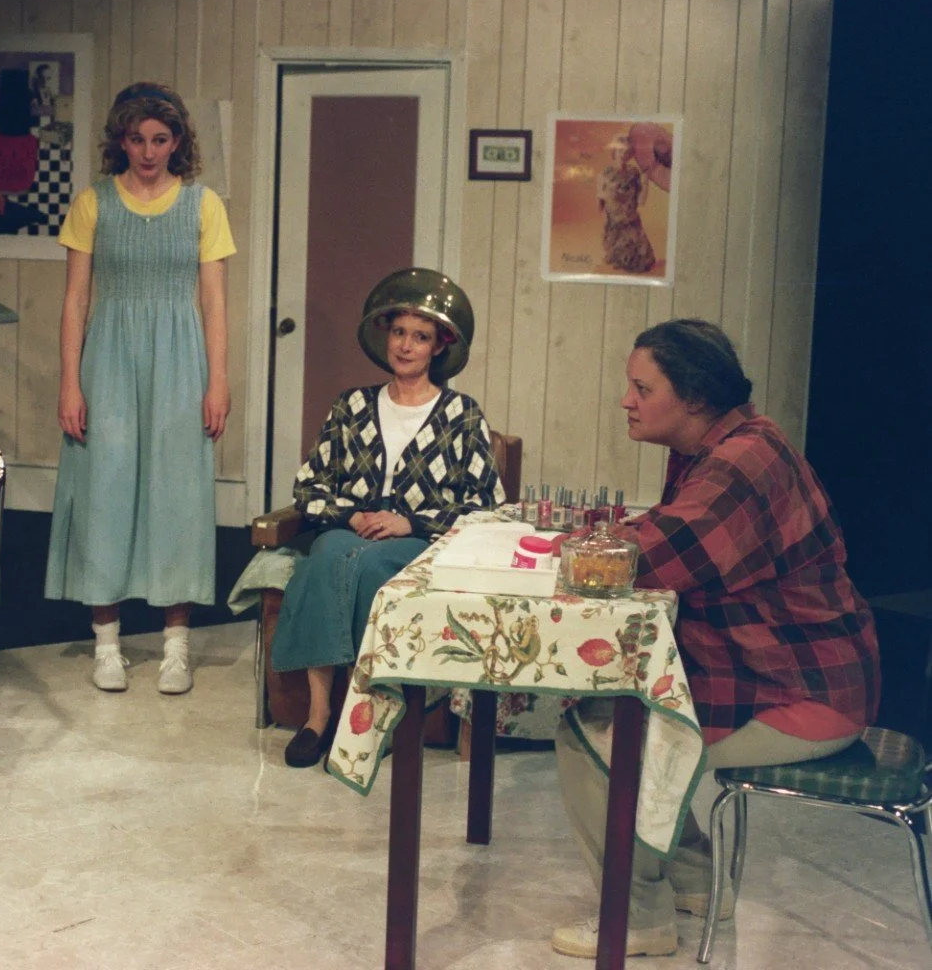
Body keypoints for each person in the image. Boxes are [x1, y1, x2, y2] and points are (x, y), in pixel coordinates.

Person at [549, 319, 879, 959]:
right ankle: (698, 885)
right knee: (625, 717)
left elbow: (650, 555)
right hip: (785, 672)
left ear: (695, 398)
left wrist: (570, 548)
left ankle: (637, 917)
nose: (627, 400)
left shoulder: (741, 461)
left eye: (642, 388)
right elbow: (668, 534)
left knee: (593, 730)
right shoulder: (721, 448)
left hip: (801, 693)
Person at [270, 269, 505, 767]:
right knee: (328, 555)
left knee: (371, 568)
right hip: (346, 533)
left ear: (439, 346)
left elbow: (485, 505)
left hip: (416, 543)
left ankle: (370, 715)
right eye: (399, 332)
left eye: (420, 337)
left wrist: (411, 524)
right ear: (385, 335)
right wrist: (353, 516)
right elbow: (308, 488)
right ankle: (318, 717)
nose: (405, 346)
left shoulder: (462, 414)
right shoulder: (351, 406)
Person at [45, 80, 235, 695]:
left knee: (177, 492)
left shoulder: (203, 204)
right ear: (120, 141)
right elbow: (75, 300)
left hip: (181, 358)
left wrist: (219, 381)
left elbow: (214, 300)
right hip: (109, 357)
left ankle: (175, 645)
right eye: (137, 139)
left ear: (177, 142)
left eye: (160, 139)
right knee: (105, 488)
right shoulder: (93, 202)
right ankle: (107, 642)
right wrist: (70, 382)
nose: (148, 151)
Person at [596, 133, 657, 274]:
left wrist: (645, 183)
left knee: (643, 263)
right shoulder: (605, 174)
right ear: (614, 151)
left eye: (626, 151)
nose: (623, 154)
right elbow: (600, 205)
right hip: (614, 226)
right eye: (620, 150)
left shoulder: (634, 173)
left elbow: (641, 202)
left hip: (632, 226)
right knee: (617, 262)